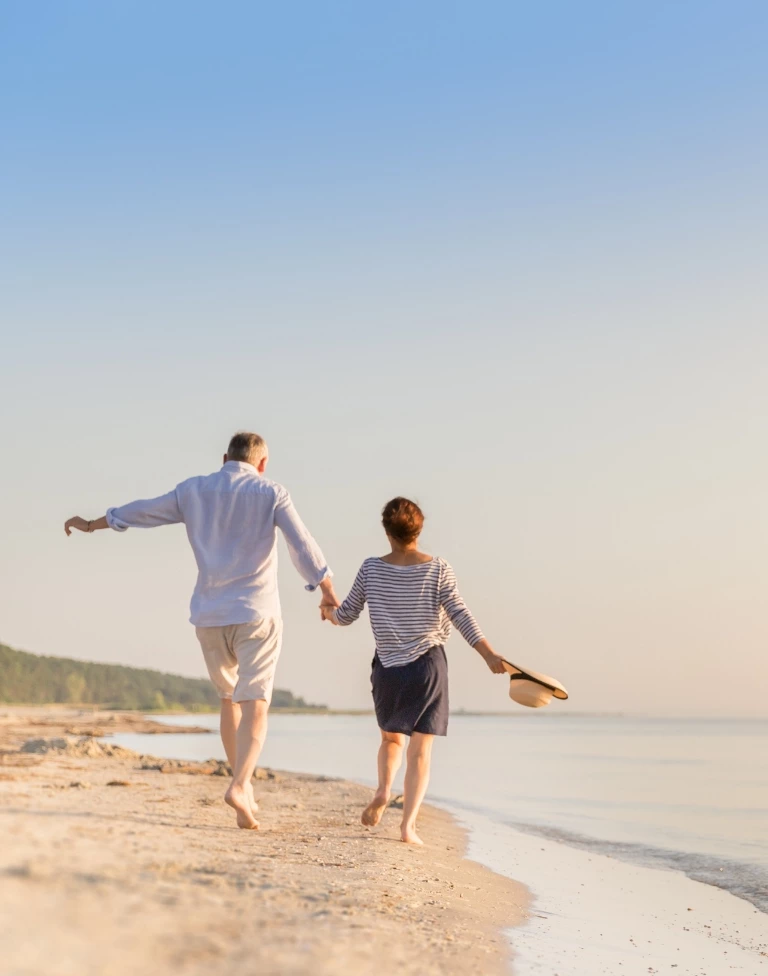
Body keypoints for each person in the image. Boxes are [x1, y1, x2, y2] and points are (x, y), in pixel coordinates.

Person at [64, 431, 339, 830]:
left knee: (228, 699)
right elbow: (302, 544)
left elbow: (142, 511)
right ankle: (241, 784)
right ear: (262, 463)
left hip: (209, 617)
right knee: (256, 703)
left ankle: (239, 783)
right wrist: (327, 590)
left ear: (226, 457)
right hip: (256, 614)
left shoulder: (194, 490)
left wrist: (92, 524)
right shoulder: (271, 492)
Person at [320, 496, 505, 845]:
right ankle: (407, 827)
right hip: (427, 668)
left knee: (391, 740)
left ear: (386, 531)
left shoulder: (371, 569)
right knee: (420, 750)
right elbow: (461, 615)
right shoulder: (438, 569)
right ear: (420, 530)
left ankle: (383, 790)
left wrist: (328, 610)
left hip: (388, 669)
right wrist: (489, 654)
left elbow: (345, 616)